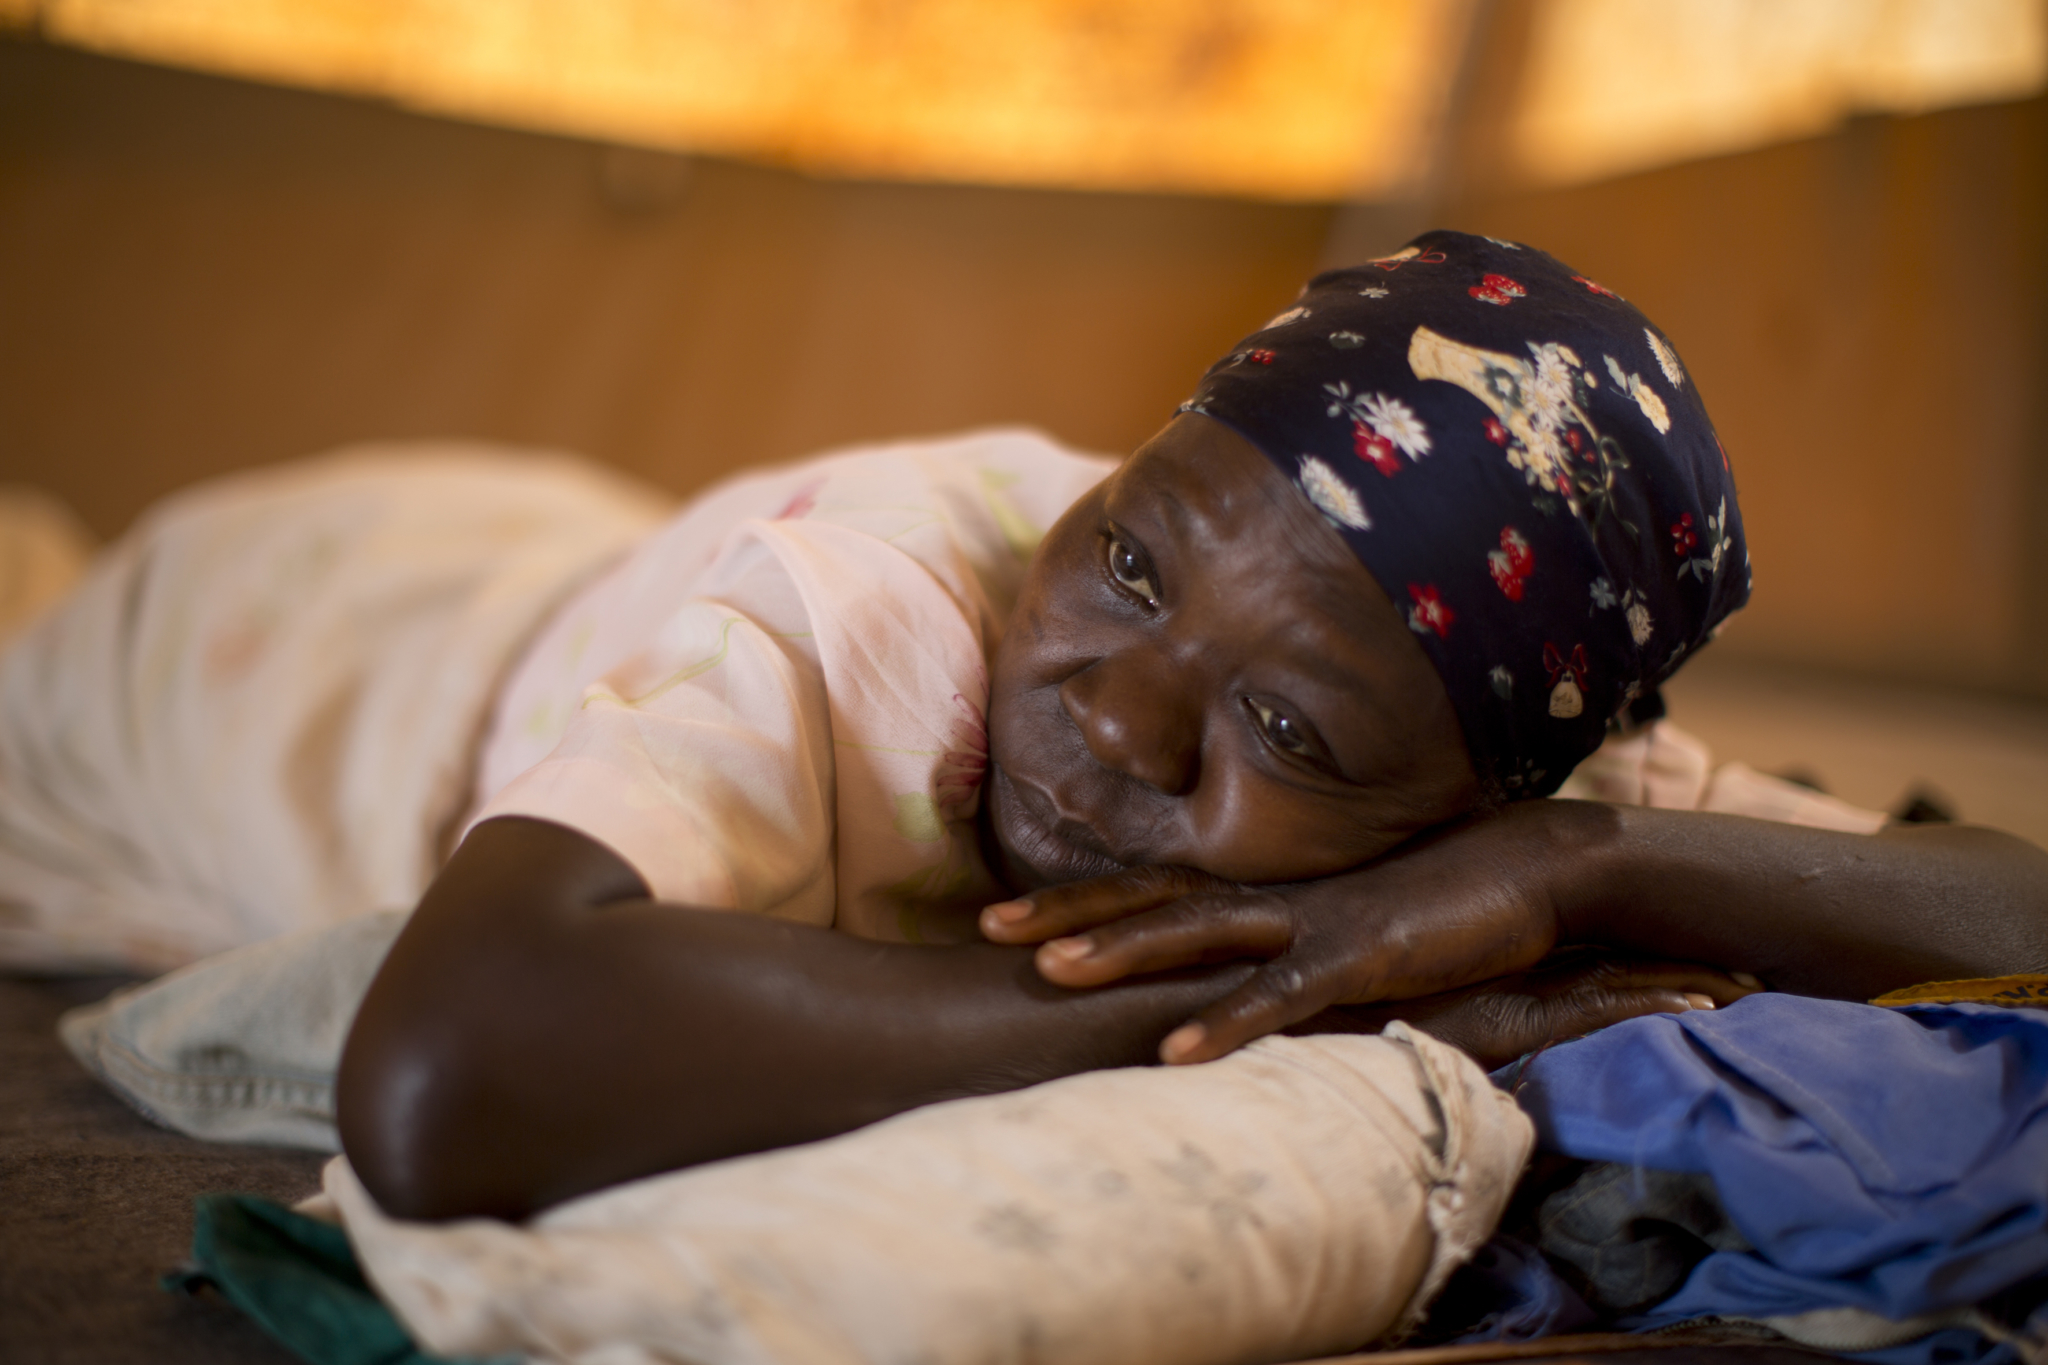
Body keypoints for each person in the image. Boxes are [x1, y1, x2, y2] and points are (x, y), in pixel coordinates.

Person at [324, 233, 2048, 1222]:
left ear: (1486, 789)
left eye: (1287, 729)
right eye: (1131, 558)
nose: (1120, 722)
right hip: (308, 638)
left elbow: (2012, 904)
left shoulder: (1524, 782)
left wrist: (1572, 862)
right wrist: (1268, 994)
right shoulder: (871, 618)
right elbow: (443, 1073)